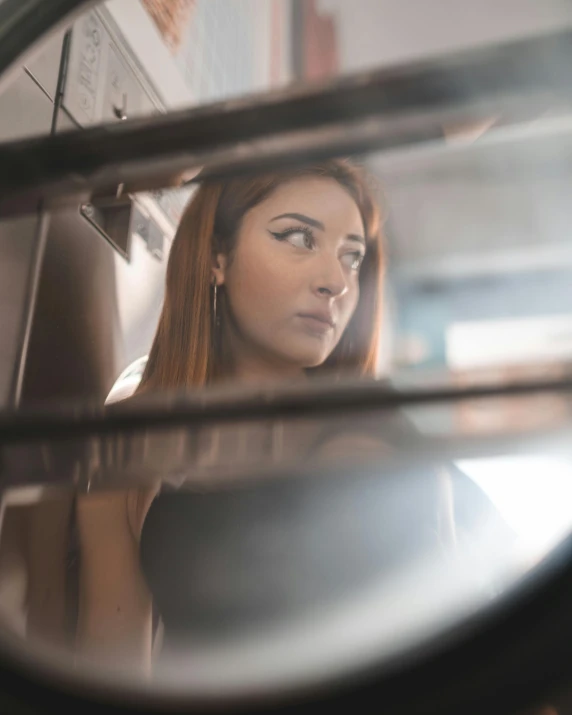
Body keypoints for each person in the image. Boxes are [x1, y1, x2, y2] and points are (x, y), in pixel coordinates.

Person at [16, 159, 518, 677]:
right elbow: (115, 669)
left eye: (352, 258)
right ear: (217, 257)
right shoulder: (129, 445)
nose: (335, 282)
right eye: (299, 238)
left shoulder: (373, 433)